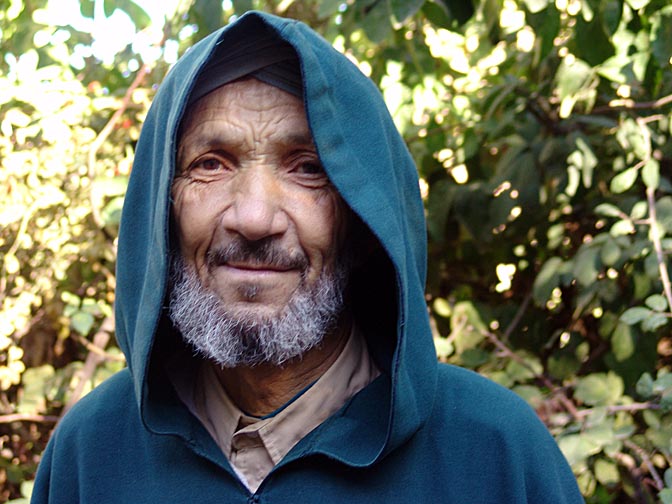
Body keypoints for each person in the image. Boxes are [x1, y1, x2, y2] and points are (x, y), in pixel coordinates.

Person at [33, 11, 583, 503]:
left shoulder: (495, 455)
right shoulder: (89, 455)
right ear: (162, 207)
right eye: (211, 164)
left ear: (362, 220)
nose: (253, 217)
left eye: (308, 168)